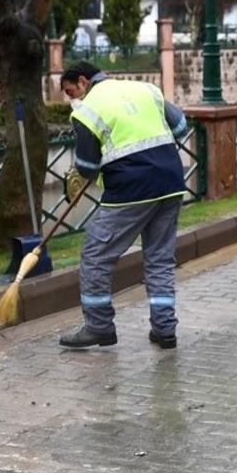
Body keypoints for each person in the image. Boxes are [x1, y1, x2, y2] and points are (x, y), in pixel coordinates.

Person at [59, 62, 191, 350]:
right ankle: (165, 330)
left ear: (83, 81)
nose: (74, 99)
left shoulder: (86, 110)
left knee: (95, 254)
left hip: (131, 188)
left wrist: (77, 175)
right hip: (171, 180)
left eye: (72, 92)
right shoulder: (145, 88)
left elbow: (88, 167)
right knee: (159, 258)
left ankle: (98, 326)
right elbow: (181, 127)